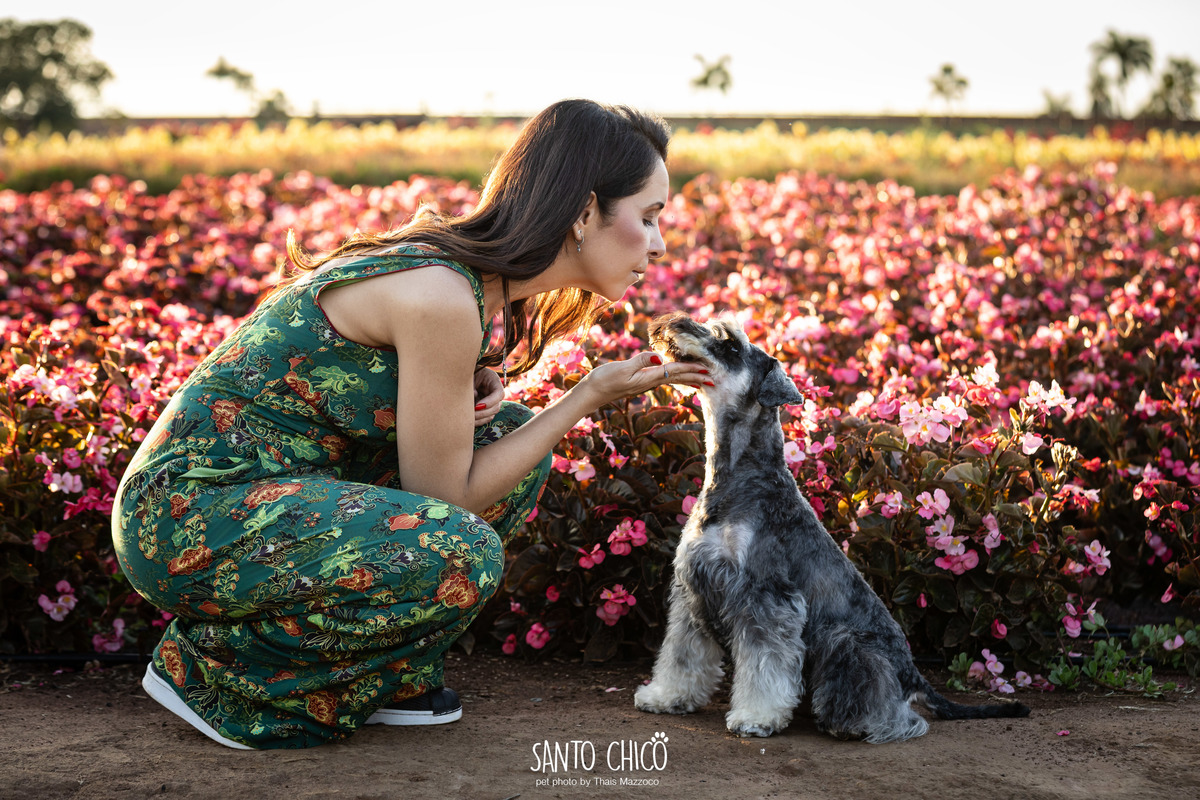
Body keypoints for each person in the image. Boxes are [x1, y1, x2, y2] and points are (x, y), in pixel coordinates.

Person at [111, 99, 710, 749]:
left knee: (504, 431)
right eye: (648, 217)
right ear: (585, 212)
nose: (659, 243)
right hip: (187, 510)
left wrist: (464, 383)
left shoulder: (467, 284)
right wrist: (586, 396)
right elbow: (442, 497)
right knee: (463, 546)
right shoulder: (443, 294)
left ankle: (385, 674)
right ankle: (219, 672)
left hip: (269, 490)